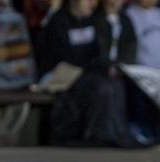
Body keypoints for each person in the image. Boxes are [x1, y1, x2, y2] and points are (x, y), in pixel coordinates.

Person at [37, 0, 133, 146]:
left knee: (115, 84)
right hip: (63, 75)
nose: (93, 4)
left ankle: (115, 134)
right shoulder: (59, 21)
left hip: (89, 72)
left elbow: (99, 52)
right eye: (88, 0)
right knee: (101, 89)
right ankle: (95, 136)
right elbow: (61, 56)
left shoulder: (95, 20)